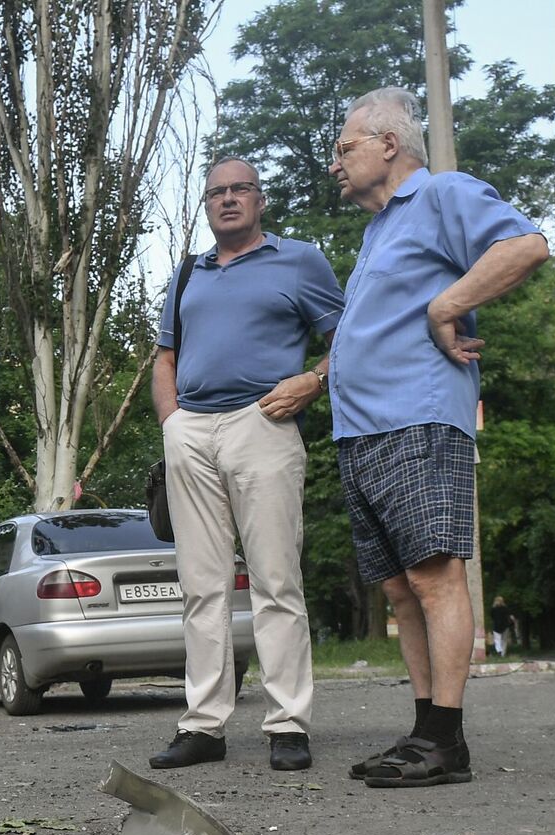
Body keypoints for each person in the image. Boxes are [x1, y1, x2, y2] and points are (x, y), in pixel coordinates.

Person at [327, 88, 549, 788]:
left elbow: (527, 244)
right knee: (399, 589)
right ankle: (423, 732)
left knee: (434, 575)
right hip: (362, 431)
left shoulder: (442, 194)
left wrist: (449, 302)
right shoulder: (375, 232)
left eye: (345, 147)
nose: (335, 163)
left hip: (416, 417)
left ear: (389, 144)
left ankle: (447, 741)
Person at [146, 156, 345, 774]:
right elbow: (163, 359)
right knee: (201, 587)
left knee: (275, 580)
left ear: (260, 200)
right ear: (206, 206)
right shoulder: (186, 274)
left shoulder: (300, 261)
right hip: (192, 433)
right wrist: (172, 423)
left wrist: (313, 381)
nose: (228, 200)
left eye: (240, 190)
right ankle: (203, 725)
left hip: (265, 424)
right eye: (216, 193)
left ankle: (288, 723)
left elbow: (351, 335)